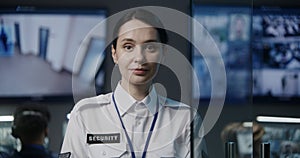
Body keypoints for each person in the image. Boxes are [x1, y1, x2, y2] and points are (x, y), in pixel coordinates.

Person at [60, 9, 206, 158]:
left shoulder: (186, 119)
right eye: (128, 47)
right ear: (114, 54)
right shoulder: (85, 114)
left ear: (163, 53)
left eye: (150, 47)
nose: (139, 58)